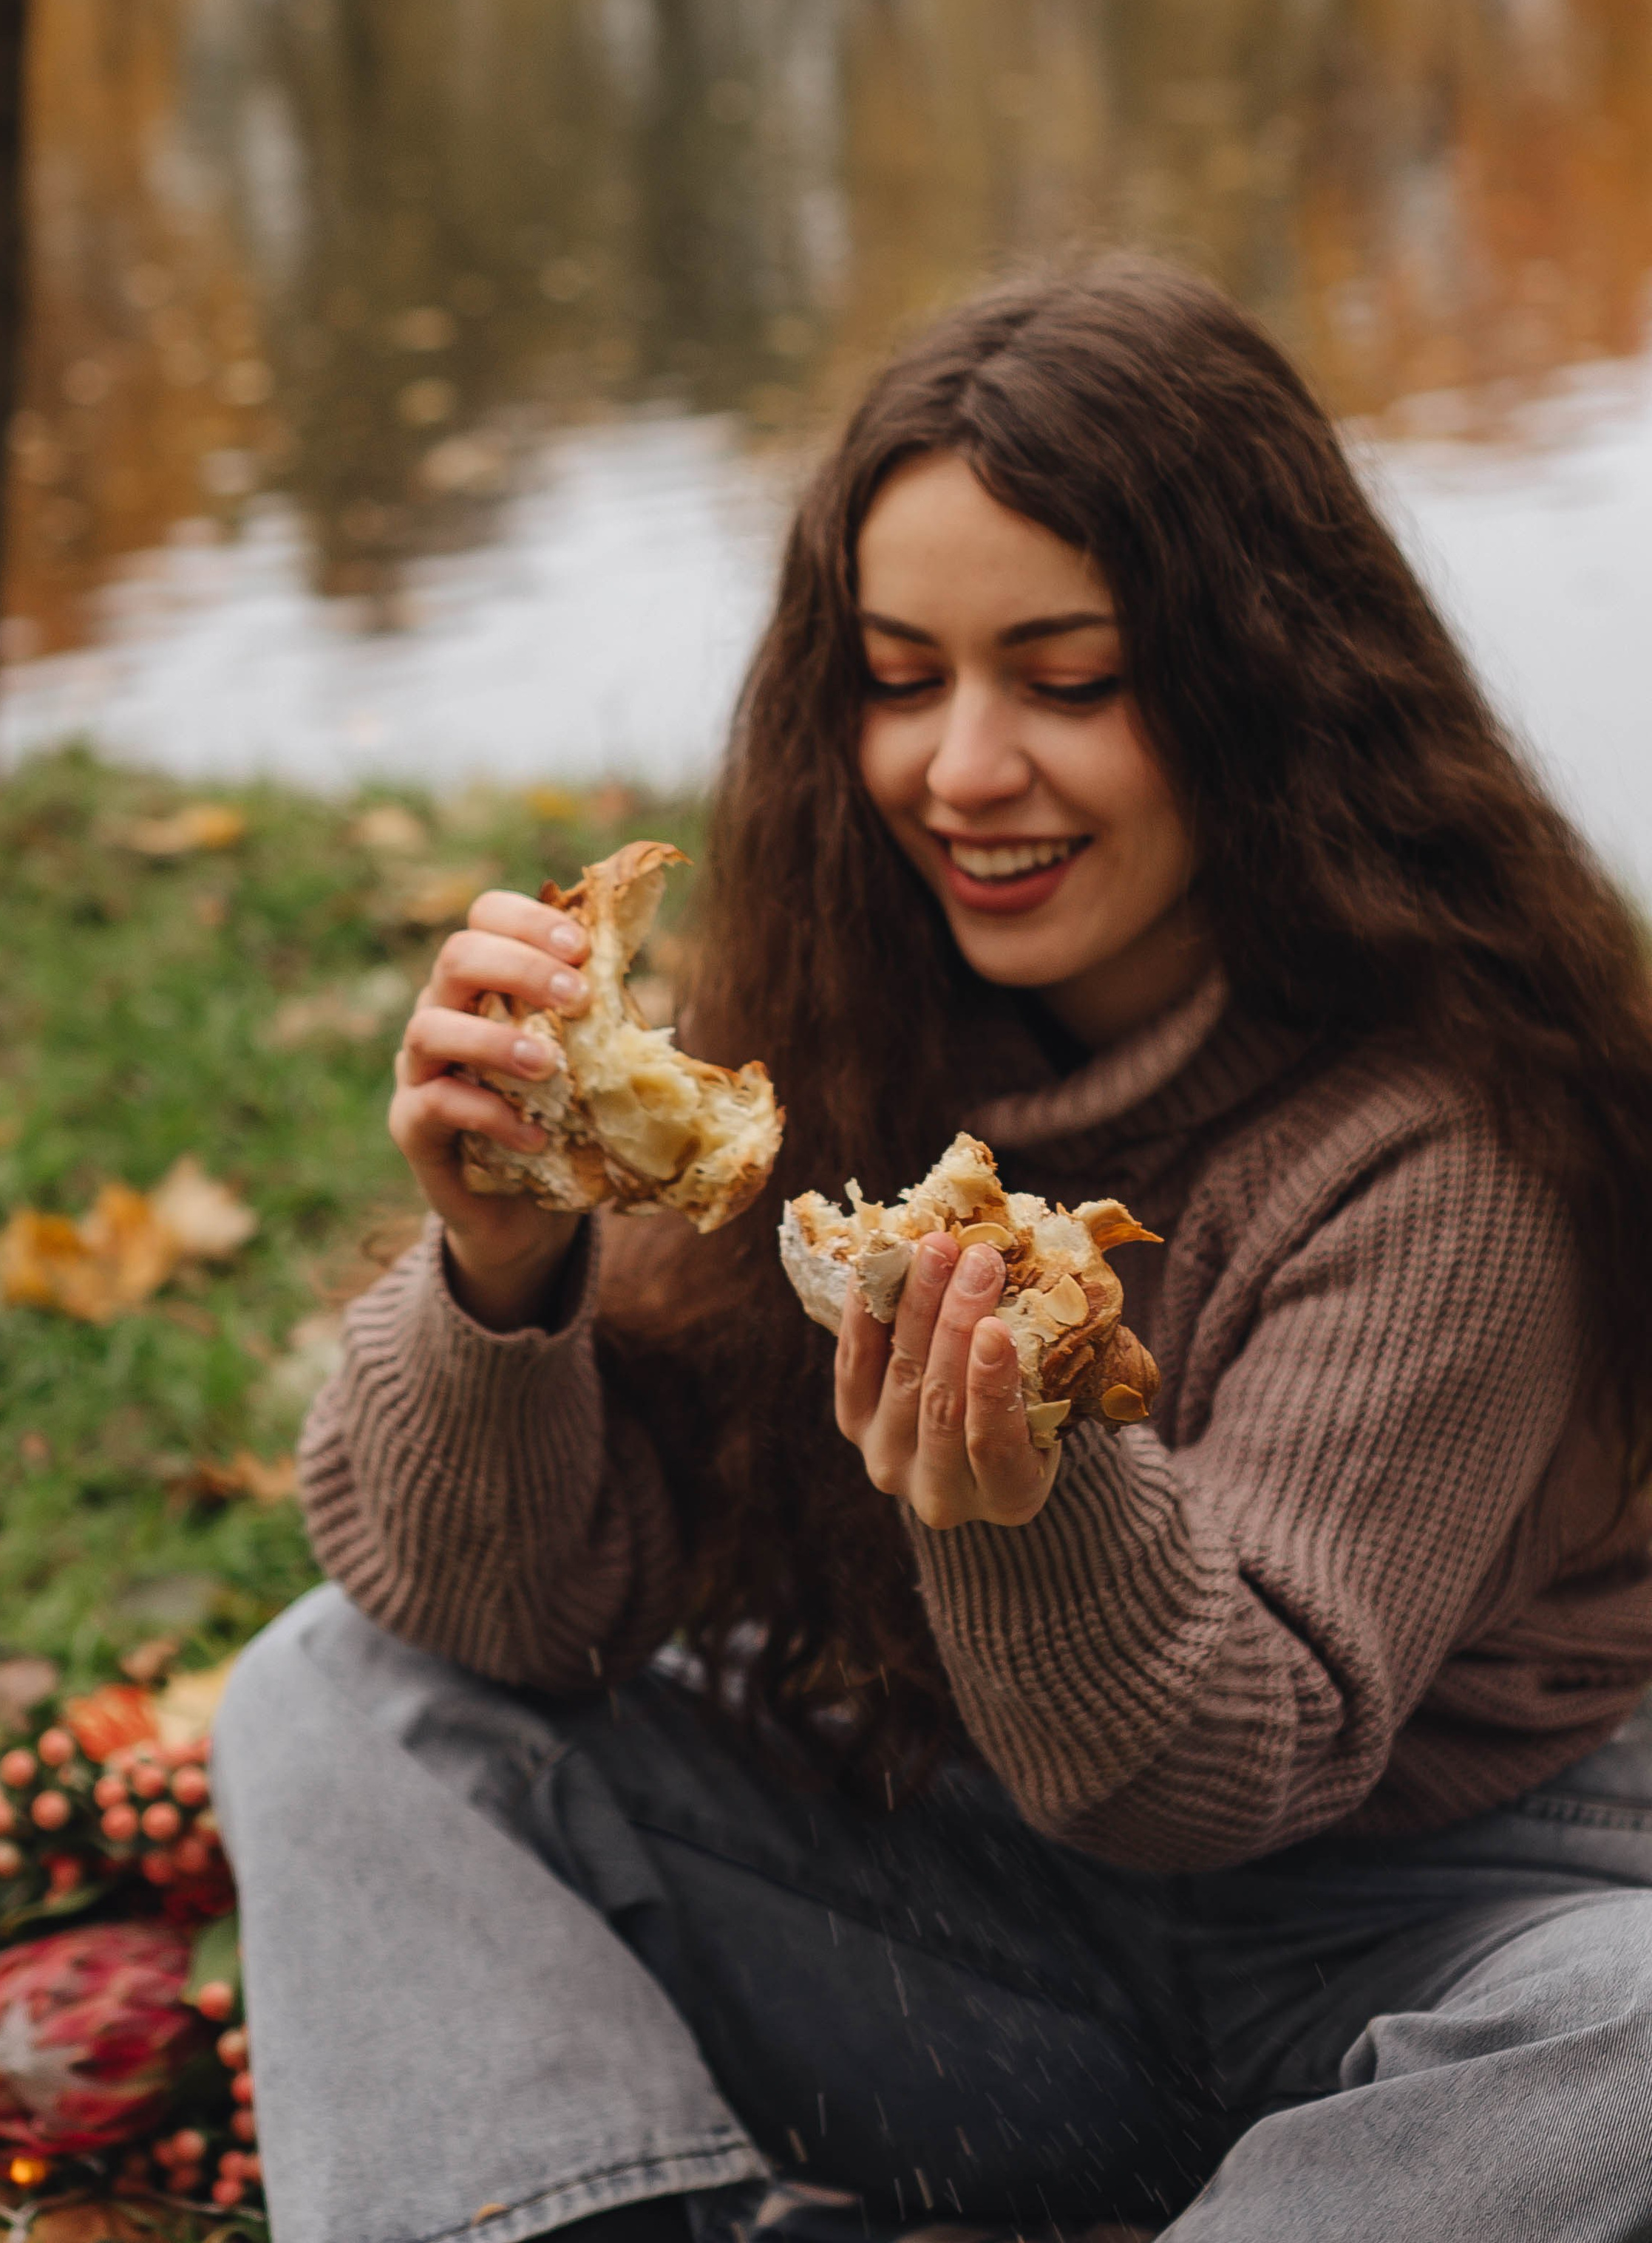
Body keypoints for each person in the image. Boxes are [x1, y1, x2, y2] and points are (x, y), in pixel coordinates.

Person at [213, 260, 1652, 2243]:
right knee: (335, 1696)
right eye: (901, 677)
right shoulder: (831, 1024)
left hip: (1437, 1937)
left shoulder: (1453, 1142)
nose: (961, 772)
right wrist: (500, 1265)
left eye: (1067, 679)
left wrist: (1025, 1502)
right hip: (1001, 1954)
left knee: (1635, 2043)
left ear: (1261, 685)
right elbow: (498, 1611)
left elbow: (1224, 1774)